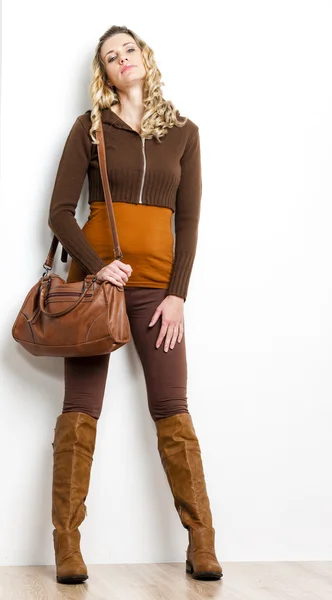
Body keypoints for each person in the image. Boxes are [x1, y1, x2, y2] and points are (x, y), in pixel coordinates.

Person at [48, 24, 222, 584]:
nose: (122, 59)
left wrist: (178, 294)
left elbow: (189, 221)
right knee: (80, 410)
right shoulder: (90, 129)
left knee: (173, 408)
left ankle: (202, 543)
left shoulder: (185, 134)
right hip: (96, 290)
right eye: (110, 56)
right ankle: (67, 547)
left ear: (144, 57)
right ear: (104, 73)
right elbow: (58, 214)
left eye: (128, 49)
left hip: (157, 292)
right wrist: (98, 267)